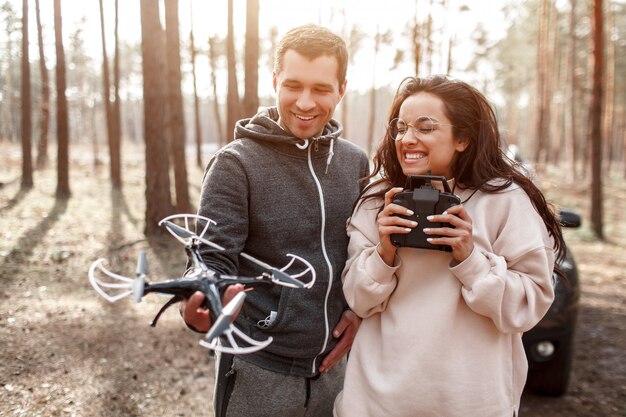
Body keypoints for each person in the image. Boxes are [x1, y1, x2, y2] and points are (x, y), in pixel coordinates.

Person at [333, 75, 566, 417]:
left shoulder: (505, 200)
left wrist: (470, 258)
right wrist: (384, 253)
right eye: (401, 127)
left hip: (472, 403)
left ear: (462, 139)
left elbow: (528, 307)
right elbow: (359, 301)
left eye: (425, 128)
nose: (407, 139)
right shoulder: (378, 200)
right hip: (376, 403)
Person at [180, 24, 370, 417]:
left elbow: (363, 254)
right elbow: (211, 258)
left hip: (335, 370)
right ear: (275, 81)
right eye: (293, 85)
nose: (304, 102)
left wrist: (357, 313)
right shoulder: (236, 163)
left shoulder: (355, 163)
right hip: (256, 367)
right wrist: (200, 299)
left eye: (320, 89)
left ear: (342, 89)